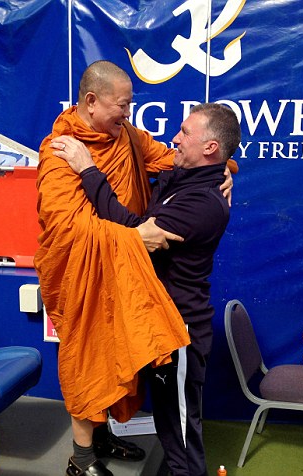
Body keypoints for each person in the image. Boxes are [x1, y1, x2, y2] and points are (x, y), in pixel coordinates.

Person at [53, 102, 241, 476]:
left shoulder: (203, 203)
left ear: (209, 148)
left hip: (179, 330)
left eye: (185, 133)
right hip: (159, 323)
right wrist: (230, 169)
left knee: (181, 435)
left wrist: (87, 169)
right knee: (172, 424)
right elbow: (162, 162)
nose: (175, 137)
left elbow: (131, 231)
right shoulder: (190, 178)